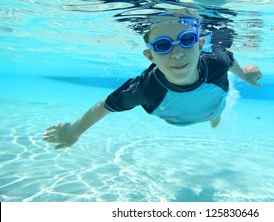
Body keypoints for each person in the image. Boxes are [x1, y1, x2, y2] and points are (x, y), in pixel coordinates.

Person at [43, 9, 262, 149]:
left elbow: (230, 62)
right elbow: (105, 106)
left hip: (214, 108)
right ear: (150, 56)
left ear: (200, 45)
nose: (177, 54)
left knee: (215, 116)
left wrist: (247, 77)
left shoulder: (216, 62)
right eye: (163, 45)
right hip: (176, 120)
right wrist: (73, 131)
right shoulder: (146, 88)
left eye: (187, 40)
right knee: (212, 114)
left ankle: (214, 119)